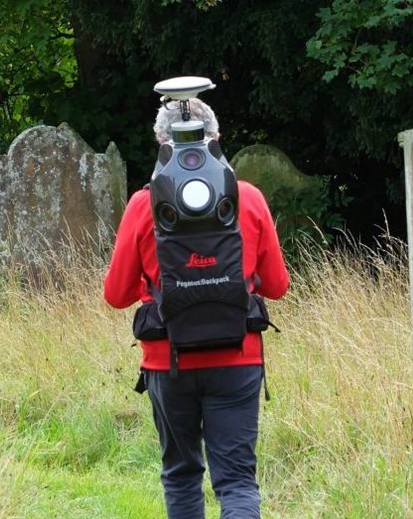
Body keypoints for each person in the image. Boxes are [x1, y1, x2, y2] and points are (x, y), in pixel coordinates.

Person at [103, 97, 290, 519]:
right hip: (238, 358)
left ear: (160, 141)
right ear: (217, 139)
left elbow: (115, 295)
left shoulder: (142, 205)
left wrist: (157, 280)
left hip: (166, 361)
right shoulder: (250, 199)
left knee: (182, 474)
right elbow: (278, 287)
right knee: (238, 482)